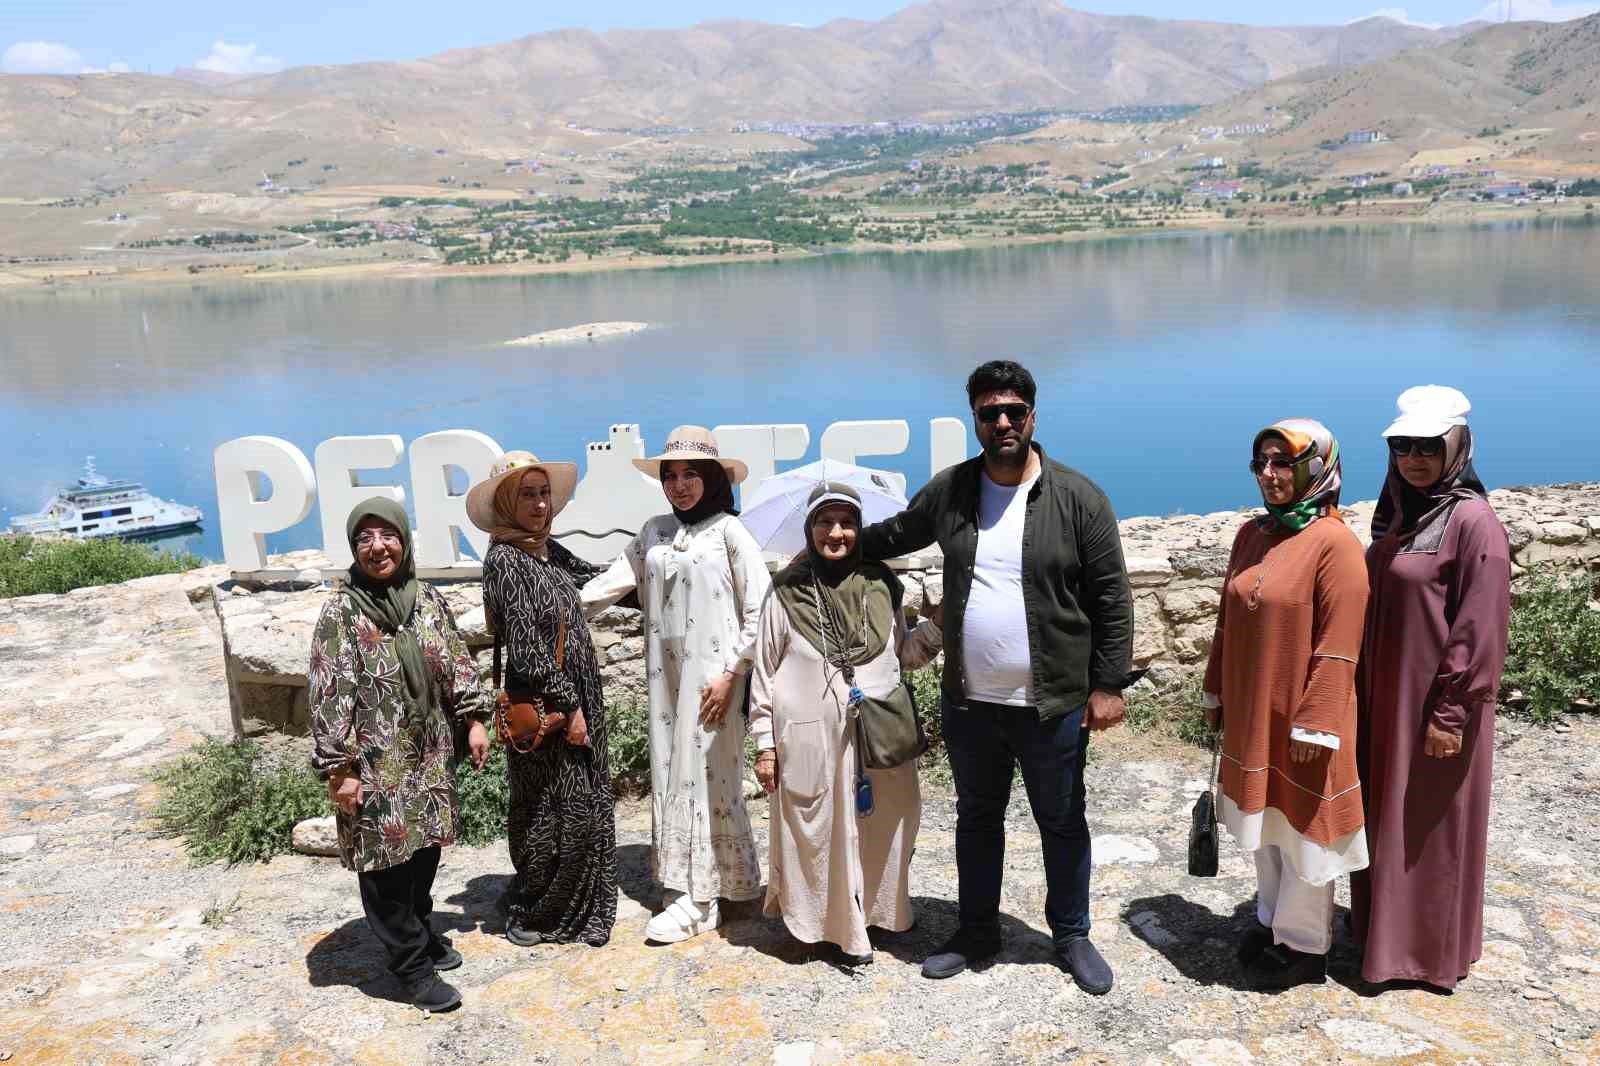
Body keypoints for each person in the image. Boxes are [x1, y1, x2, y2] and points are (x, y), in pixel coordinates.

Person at [857, 360, 1134, 995]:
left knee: (1061, 819)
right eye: (990, 413)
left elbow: (1112, 597)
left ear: (1033, 417)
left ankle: (1071, 934)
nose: (1003, 421)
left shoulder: (1078, 498)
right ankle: (977, 930)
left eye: (1013, 411)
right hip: (971, 702)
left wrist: (1108, 684)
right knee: (978, 818)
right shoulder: (954, 490)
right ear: (976, 420)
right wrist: (834, 541)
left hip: (1053, 701)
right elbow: (897, 532)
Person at [581, 426, 771, 942]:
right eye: (672, 474)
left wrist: (734, 674)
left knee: (710, 776)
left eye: (693, 474)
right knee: (673, 775)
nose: (681, 484)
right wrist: (546, 607)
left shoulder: (731, 533)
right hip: (667, 685)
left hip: (716, 685)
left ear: (712, 479)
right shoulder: (655, 532)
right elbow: (609, 586)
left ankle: (700, 900)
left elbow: (760, 609)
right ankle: (711, 886)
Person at [1201, 419, 1370, 990]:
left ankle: (1304, 947)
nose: (1270, 475)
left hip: (1302, 717)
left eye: (1284, 463)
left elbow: (1339, 647)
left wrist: (1316, 723)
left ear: (1316, 468)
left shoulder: (1335, 545)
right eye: (1261, 464)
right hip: (1255, 711)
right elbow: (1227, 621)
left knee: (1303, 829)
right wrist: (1216, 687)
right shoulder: (1253, 535)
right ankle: (1272, 922)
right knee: (1265, 821)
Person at [1352, 386, 1511, 991]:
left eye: (1427, 446)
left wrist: (1451, 712)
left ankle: (1423, 953)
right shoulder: (1398, 513)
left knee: (1428, 822)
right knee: (1383, 814)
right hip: (1384, 700)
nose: (1413, 458)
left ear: (1457, 448)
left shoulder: (1474, 524)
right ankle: (1379, 935)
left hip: (1433, 704)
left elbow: (1479, 625)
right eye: (1402, 446)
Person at [748, 482, 945, 965]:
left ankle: (880, 915)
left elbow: (902, 655)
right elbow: (765, 671)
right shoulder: (787, 590)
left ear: (859, 528)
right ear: (810, 528)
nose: (836, 533)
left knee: (887, 822)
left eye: (847, 522)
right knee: (816, 829)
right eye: (824, 522)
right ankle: (821, 924)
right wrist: (765, 743)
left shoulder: (882, 585)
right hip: (810, 738)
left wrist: (938, 628)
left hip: (878, 729)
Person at [308, 497, 491, 1014]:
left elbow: (456, 660)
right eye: (363, 538)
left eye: (385, 534)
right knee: (385, 864)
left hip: (428, 754)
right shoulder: (341, 613)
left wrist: (473, 719)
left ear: (404, 541)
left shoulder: (425, 599)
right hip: (374, 763)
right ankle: (410, 967)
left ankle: (420, 928)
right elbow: (328, 694)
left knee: (425, 848)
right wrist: (338, 771)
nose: (376, 547)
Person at [469, 451, 618, 948]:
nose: (538, 504)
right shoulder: (505, 560)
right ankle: (541, 908)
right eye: (526, 495)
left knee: (581, 800)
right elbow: (529, 650)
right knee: (549, 809)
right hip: (550, 704)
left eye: (543, 493)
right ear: (508, 503)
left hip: (576, 698)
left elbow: (595, 577)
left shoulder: (547, 550)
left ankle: (581, 903)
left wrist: (654, 558)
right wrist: (572, 707)